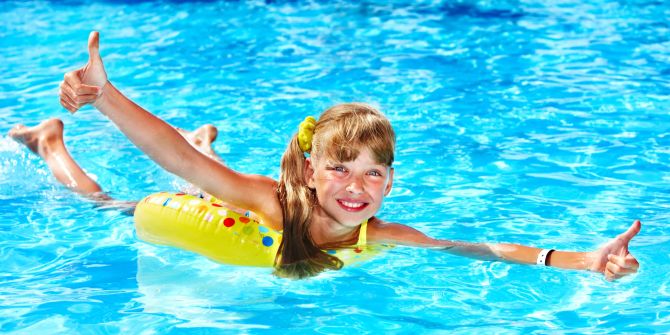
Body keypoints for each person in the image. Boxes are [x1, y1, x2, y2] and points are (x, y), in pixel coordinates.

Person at [10, 32, 641, 280]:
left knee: (212, 179)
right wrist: (106, 97)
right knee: (103, 204)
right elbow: (175, 160)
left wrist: (583, 259)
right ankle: (51, 143)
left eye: (373, 173)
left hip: (234, 211)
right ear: (310, 170)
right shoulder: (273, 200)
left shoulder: (384, 232)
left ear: (390, 183)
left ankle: (208, 143)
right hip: (192, 213)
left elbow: (479, 249)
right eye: (339, 168)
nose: (355, 187)